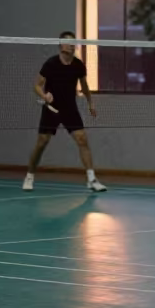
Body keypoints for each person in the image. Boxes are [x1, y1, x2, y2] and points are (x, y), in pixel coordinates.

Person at [23, 32, 106, 193]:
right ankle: (29, 176)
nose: (71, 44)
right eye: (68, 42)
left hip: (70, 109)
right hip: (52, 108)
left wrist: (90, 103)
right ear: (61, 45)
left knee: (82, 140)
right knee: (41, 143)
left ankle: (92, 180)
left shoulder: (78, 65)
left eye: (73, 42)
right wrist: (44, 96)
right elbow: (37, 85)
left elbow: (84, 86)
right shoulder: (51, 64)